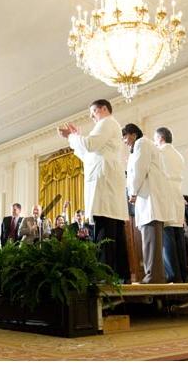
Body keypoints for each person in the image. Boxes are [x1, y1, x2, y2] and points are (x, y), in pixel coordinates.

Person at [58, 99, 130, 282]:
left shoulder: (107, 122)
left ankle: (105, 277)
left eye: (93, 112)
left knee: (105, 232)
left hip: (104, 184)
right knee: (113, 233)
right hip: (107, 182)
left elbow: (89, 145)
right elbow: (89, 155)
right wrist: (77, 138)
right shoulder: (107, 128)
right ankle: (120, 277)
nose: (91, 116)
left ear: (103, 109)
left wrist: (71, 137)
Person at [123, 123, 173, 284]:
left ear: (133, 134)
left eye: (125, 136)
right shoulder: (143, 145)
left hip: (149, 198)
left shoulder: (142, 143)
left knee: (151, 240)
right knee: (150, 240)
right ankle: (155, 275)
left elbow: (139, 169)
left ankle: (154, 276)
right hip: (148, 198)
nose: (124, 141)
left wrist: (132, 192)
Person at [154, 127, 188, 283]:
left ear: (160, 138)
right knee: (178, 236)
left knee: (167, 237)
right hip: (177, 193)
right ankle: (183, 275)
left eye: (155, 138)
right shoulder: (178, 155)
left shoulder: (160, 152)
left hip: (166, 194)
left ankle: (173, 275)